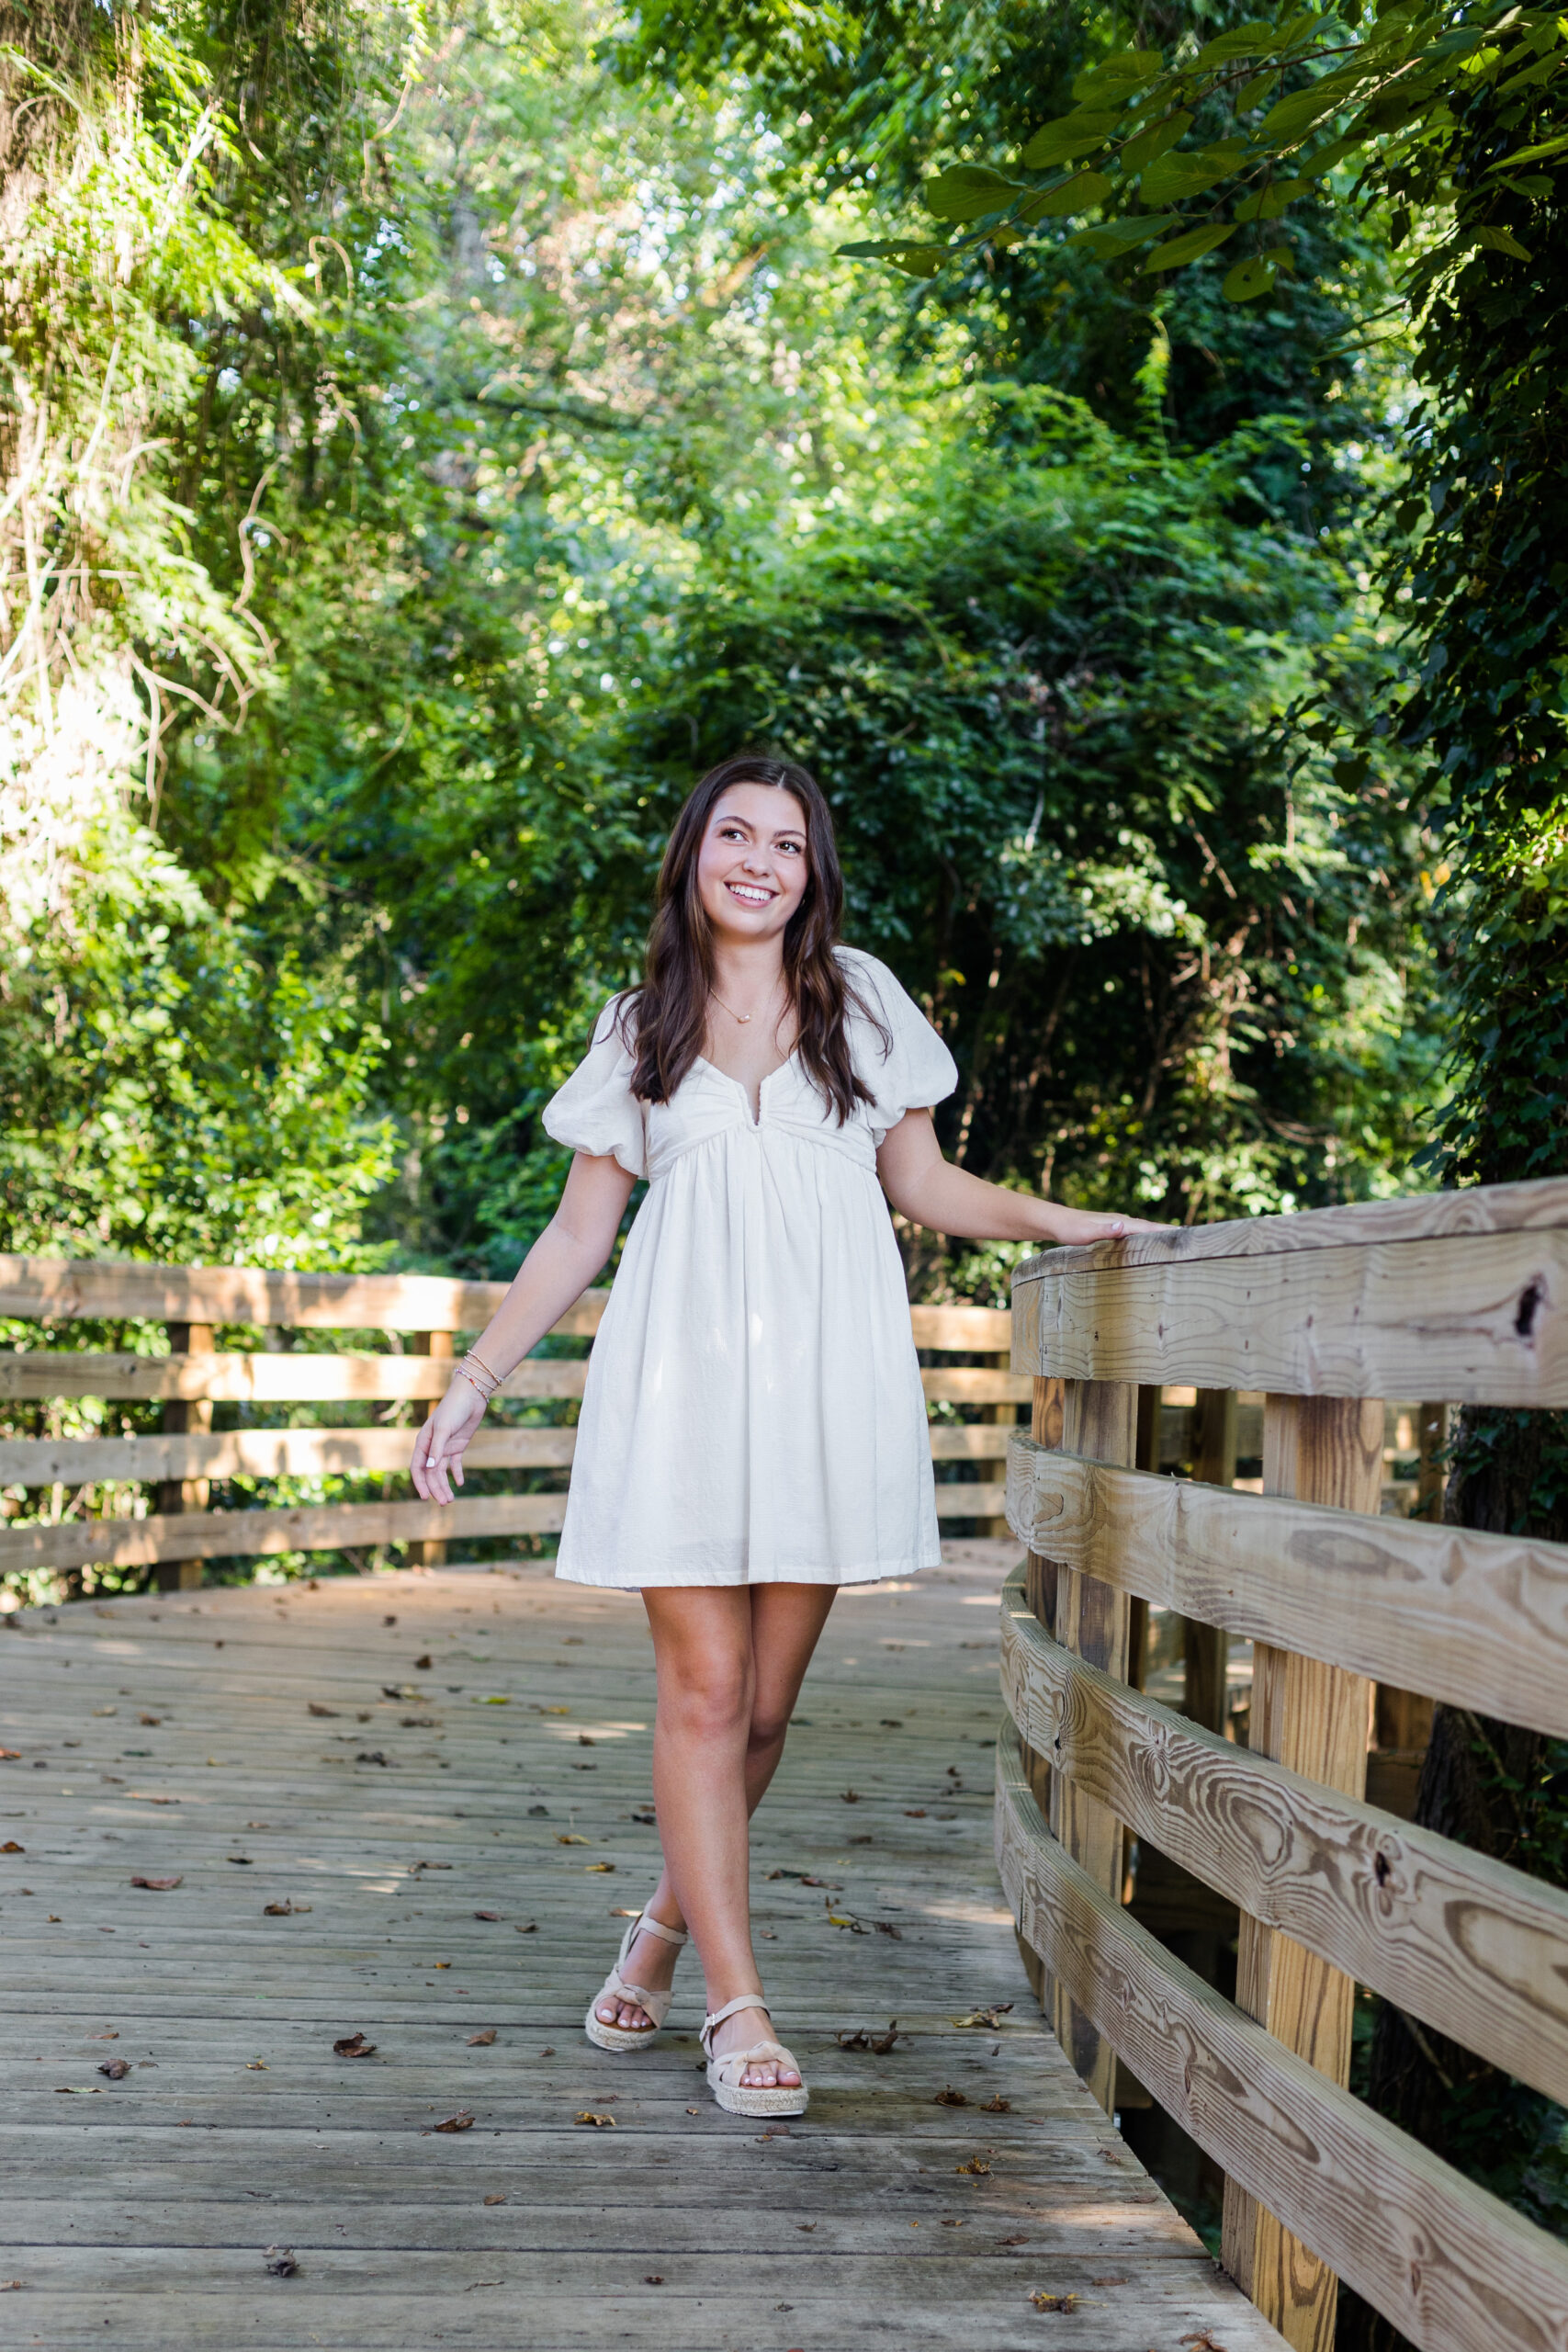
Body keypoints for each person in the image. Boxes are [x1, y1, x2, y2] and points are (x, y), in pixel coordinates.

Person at [412, 752, 1159, 2118]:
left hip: (821, 1378)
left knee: (761, 1708)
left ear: (813, 875)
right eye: (738, 835)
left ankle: (661, 1923)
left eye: (791, 845)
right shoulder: (639, 1024)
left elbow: (922, 1182)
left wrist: (1064, 1223)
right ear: (694, 852)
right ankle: (735, 2006)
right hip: (678, 1384)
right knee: (702, 1692)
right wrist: (476, 1377)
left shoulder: (859, 1000)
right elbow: (583, 1229)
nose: (761, 861)